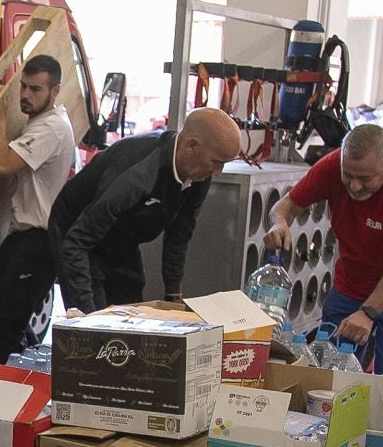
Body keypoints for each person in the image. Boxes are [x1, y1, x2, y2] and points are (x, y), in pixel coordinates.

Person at [265, 121, 383, 372]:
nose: (355, 186)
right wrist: (279, 224)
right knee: (330, 369)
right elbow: (286, 206)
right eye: (348, 176)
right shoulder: (332, 166)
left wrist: (368, 313)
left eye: (365, 178)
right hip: (353, 281)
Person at [49, 106, 241, 314]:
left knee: (133, 318)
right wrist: (87, 317)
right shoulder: (139, 172)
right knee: (97, 328)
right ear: (191, 146)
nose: (218, 172)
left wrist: (174, 297)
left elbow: (178, 237)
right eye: (216, 162)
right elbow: (77, 242)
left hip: (122, 238)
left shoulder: (199, 174)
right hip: (78, 234)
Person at [0, 54, 78, 363]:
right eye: (23, 87)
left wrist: (1, 119)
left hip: (39, 240)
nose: (25, 95)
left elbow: (3, 165)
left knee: (7, 327)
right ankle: (29, 373)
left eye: (35, 89)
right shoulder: (41, 122)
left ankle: (15, 397)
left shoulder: (51, 128)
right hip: (22, 236)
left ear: (55, 91)